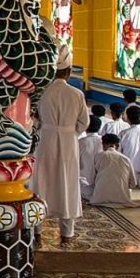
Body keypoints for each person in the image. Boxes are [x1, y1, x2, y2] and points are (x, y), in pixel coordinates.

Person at [35, 47, 87, 241]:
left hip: (45, 140)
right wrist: (70, 132)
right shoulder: (76, 94)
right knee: (68, 182)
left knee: (42, 182)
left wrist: (45, 127)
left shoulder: (42, 93)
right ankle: (67, 232)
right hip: (69, 142)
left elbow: (35, 119)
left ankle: (37, 230)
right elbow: (84, 123)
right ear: (69, 71)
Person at [85, 134, 137, 207]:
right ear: (118, 146)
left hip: (100, 197)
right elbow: (133, 184)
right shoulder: (126, 159)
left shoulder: (98, 156)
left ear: (103, 145)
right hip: (122, 198)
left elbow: (90, 180)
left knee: (81, 184)